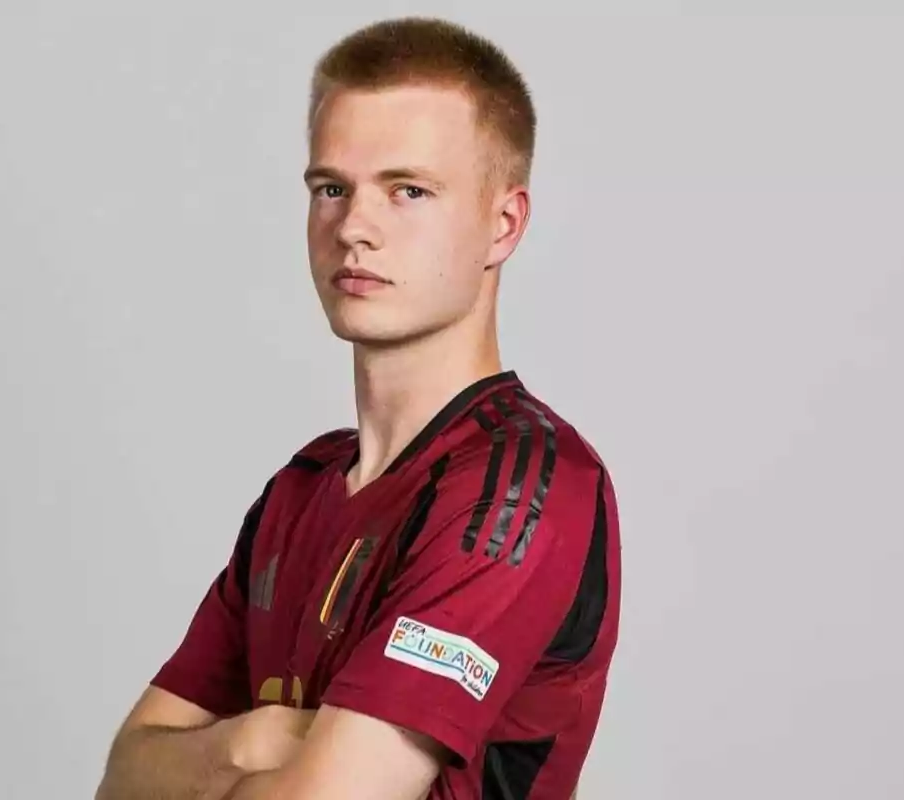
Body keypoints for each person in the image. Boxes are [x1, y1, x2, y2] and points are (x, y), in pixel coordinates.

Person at [95, 16, 621, 800]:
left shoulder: (520, 490)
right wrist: (255, 739)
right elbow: (121, 778)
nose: (354, 229)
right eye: (331, 189)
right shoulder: (300, 489)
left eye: (408, 191)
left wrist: (210, 768)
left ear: (502, 224)